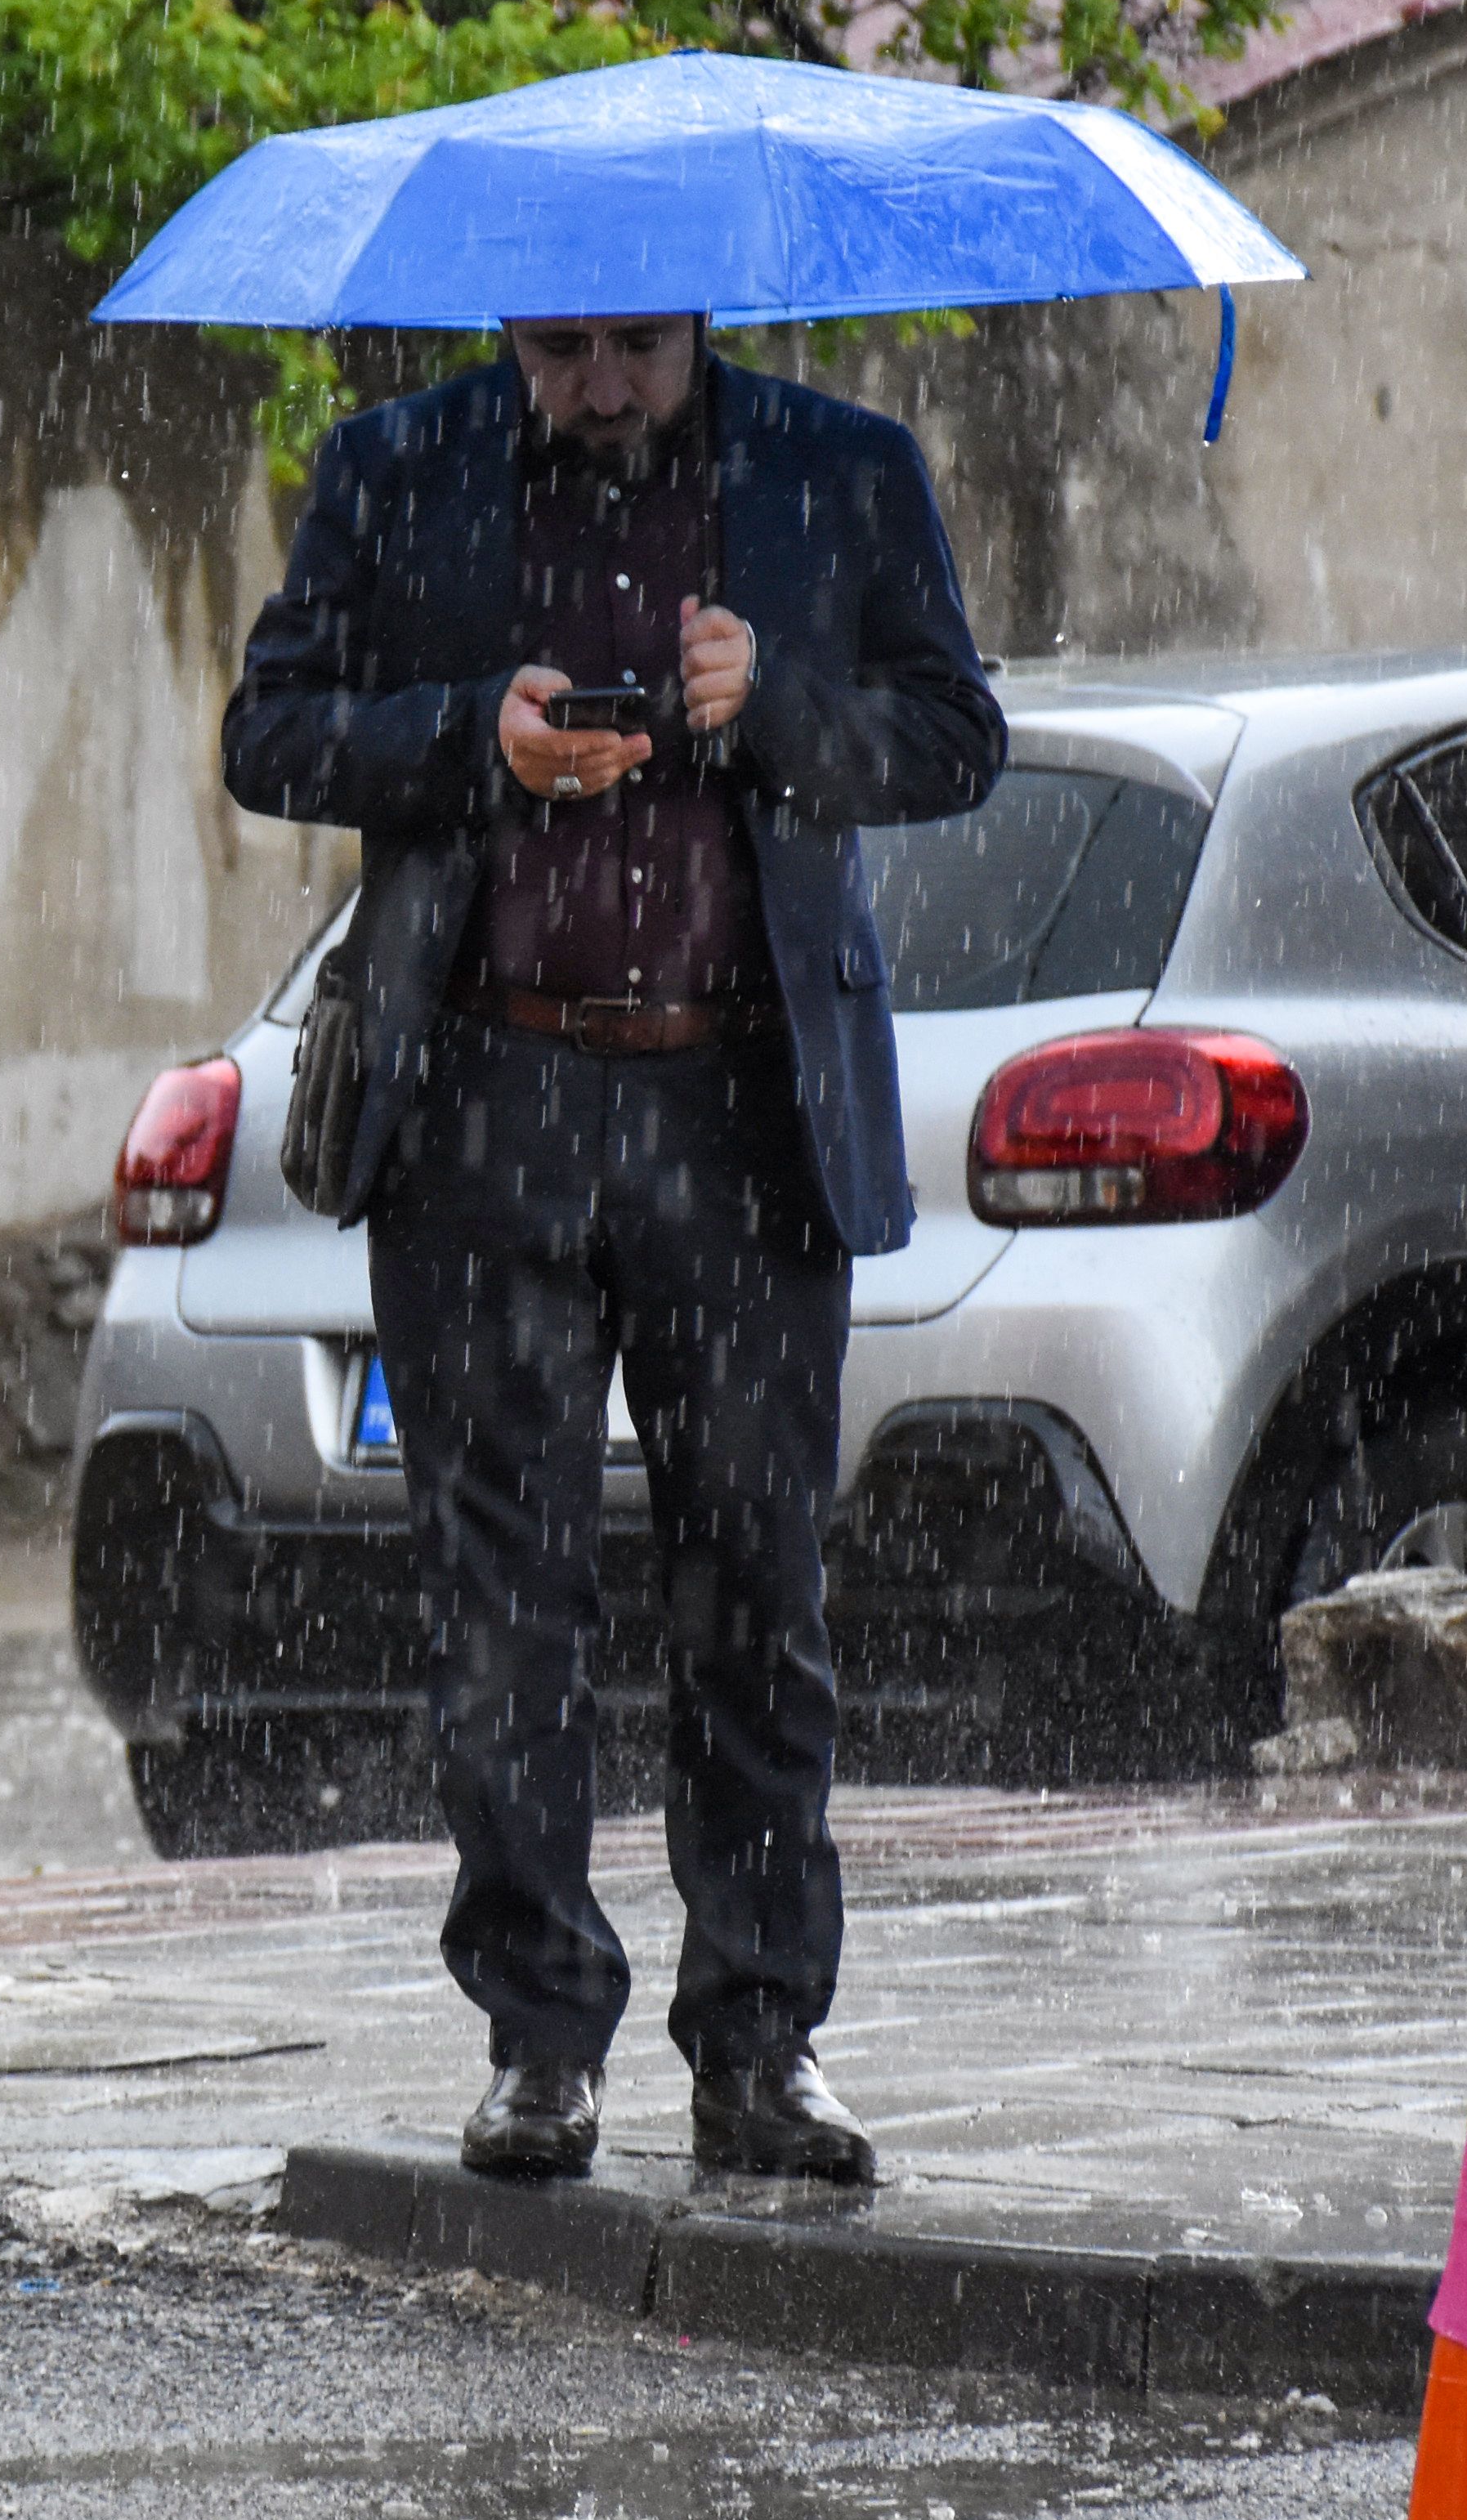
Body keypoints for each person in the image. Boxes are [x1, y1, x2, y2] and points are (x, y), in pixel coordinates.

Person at [221, 313, 1001, 2187]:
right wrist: (463, 736)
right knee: (506, 1599)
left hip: (738, 1109)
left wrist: (783, 705)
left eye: (634, 349)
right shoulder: (396, 473)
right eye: (560, 351)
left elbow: (957, 735)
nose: (597, 385)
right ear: (511, 331)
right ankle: (540, 2039)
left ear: (699, 326)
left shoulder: (841, 471)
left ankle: (761, 2042)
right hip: (486, 1097)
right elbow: (268, 730)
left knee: (759, 1587)